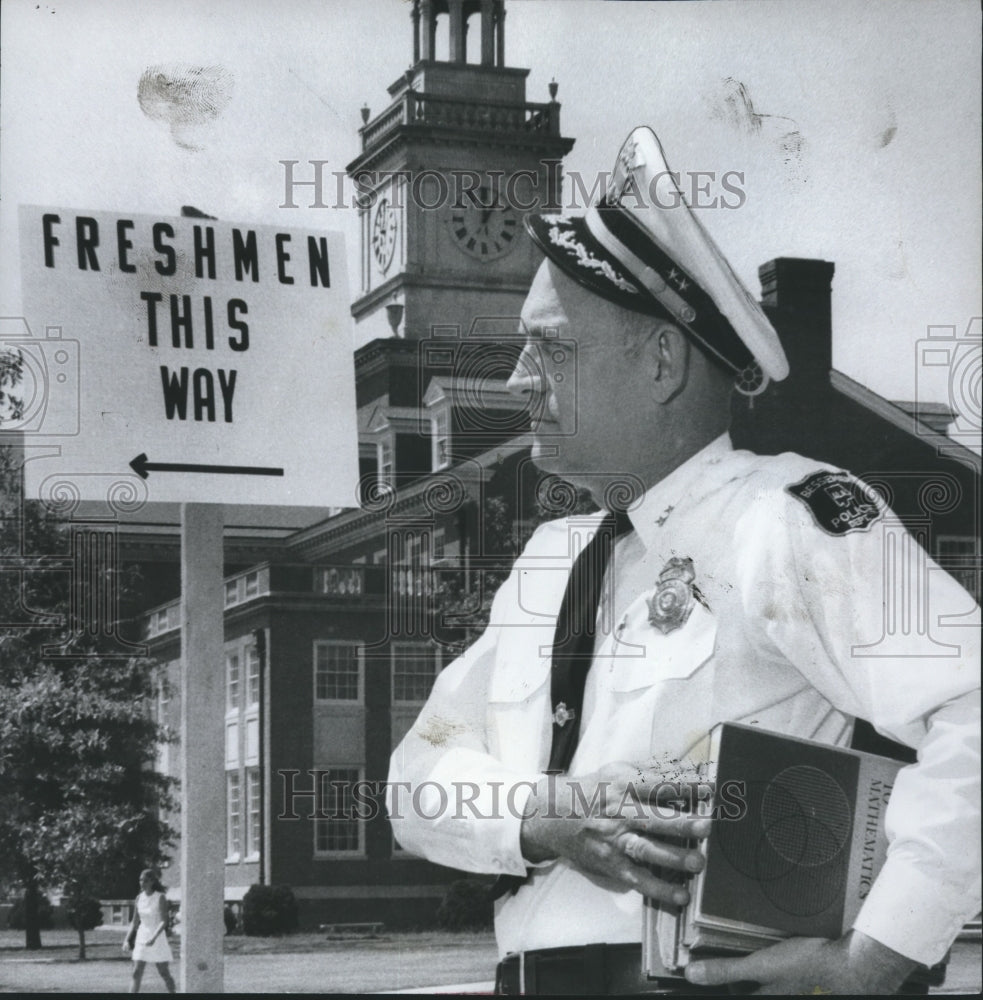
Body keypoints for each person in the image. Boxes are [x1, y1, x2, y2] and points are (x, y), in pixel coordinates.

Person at [388, 126, 981, 995]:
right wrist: (551, 814)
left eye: (549, 348)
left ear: (661, 361)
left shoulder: (787, 517)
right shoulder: (550, 562)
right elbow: (415, 783)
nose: (518, 379)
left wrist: (877, 960)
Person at [122, 867, 176, 994]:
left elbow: (164, 921)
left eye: (145, 880)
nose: (142, 883)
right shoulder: (138, 898)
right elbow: (134, 922)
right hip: (141, 937)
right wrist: (127, 940)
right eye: (140, 880)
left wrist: (153, 938)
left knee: (164, 972)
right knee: (136, 972)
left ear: (152, 882)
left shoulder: (160, 897)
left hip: (157, 937)